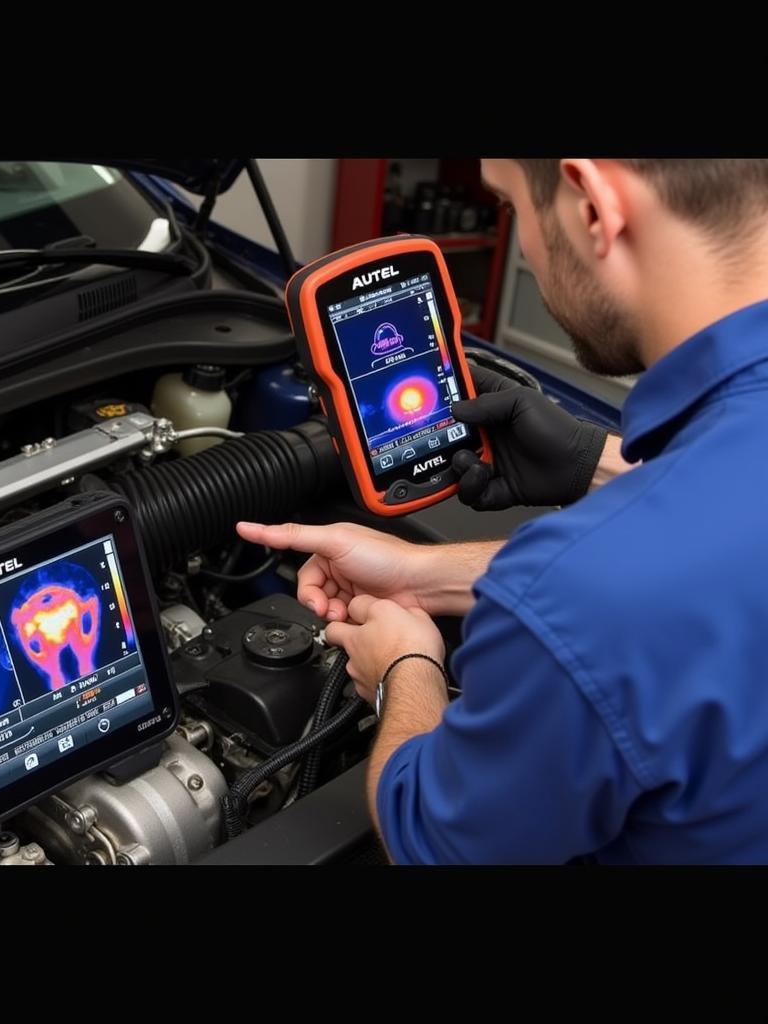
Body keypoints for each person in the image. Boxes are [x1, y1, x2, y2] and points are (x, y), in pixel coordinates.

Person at [238, 159, 768, 864]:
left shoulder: (582, 602)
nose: (533, 253)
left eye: (514, 209)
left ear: (590, 204)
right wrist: (594, 462)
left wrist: (406, 668)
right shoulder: (608, 589)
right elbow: (712, 557)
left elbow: (432, 840)